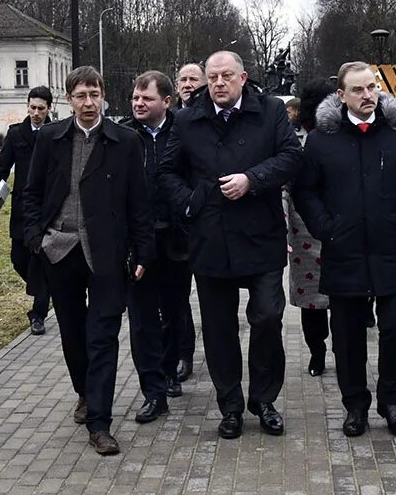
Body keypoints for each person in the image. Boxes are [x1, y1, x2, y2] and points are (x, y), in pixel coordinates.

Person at [159, 50, 302, 439]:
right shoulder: (189, 119)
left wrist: (252, 180)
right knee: (219, 328)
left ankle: (264, 399)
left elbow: (291, 157)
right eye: (212, 77)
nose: (218, 83)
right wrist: (191, 203)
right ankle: (231, 406)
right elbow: (167, 171)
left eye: (226, 76)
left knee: (268, 317)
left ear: (243, 78)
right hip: (210, 236)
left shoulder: (270, 111)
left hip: (261, 234)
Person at [23, 66, 155, 456]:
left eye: (94, 94)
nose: (88, 102)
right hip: (59, 250)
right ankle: (85, 391)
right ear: (68, 99)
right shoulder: (50, 138)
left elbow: (139, 203)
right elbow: (30, 193)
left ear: (104, 96)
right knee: (72, 334)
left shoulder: (125, 141)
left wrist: (143, 250)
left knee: (103, 337)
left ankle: (100, 422)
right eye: (80, 95)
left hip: (107, 254)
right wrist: (35, 239)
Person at [295, 62, 396, 437]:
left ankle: (392, 403)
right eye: (358, 90)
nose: (368, 95)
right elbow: (306, 190)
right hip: (345, 252)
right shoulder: (323, 140)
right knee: (347, 334)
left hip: (392, 251)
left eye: (372, 87)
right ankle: (355, 405)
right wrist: (326, 228)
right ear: (341, 96)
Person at [120, 70, 190, 420]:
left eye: (146, 99)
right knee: (141, 317)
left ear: (166, 101)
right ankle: (153, 390)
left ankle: (169, 367)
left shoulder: (185, 132)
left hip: (176, 238)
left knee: (175, 310)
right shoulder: (121, 136)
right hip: (137, 240)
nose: (138, 104)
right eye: (135, 98)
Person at [0, 86, 52, 335]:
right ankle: (46, 288)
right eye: (32, 108)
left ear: (48, 109)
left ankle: (38, 314)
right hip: (22, 208)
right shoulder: (16, 135)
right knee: (18, 259)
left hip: (47, 209)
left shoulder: (56, 134)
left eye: (40, 109)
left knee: (39, 260)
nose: (35, 113)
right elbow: (0, 170)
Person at [284, 81, 333, 377]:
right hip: (305, 231)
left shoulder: (344, 136)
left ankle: (339, 349)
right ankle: (317, 352)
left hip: (341, 226)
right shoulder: (294, 142)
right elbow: (285, 187)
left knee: (343, 297)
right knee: (311, 299)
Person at [172, 62, 204, 382]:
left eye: (194, 78)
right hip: (175, 222)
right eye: (182, 79)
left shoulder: (211, 117)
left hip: (207, 218)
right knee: (176, 296)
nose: (188, 84)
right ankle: (183, 354)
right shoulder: (169, 120)